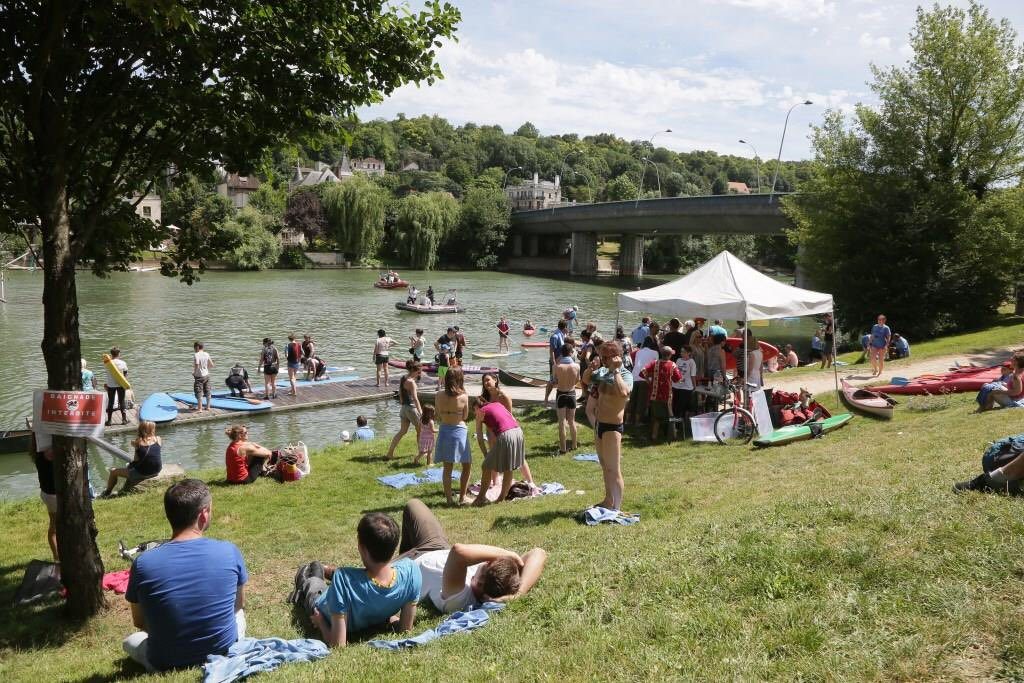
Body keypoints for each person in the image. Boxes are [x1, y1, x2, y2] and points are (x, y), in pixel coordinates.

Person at [123, 479, 247, 672]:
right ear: (204, 514)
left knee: (130, 641)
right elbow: (237, 606)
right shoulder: (229, 551)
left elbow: (139, 621)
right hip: (222, 650)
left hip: (164, 661)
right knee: (239, 616)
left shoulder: (143, 563)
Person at [290, 512, 420, 648]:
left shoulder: (343, 579)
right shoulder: (411, 571)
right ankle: (324, 568)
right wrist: (390, 619)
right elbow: (405, 629)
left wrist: (321, 622)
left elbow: (338, 645)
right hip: (368, 609)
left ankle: (313, 569)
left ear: (362, 548)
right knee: (351, 577)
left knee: (312, 583)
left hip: (322, 605)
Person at [395, 498, 547, 612]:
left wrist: (508, 553)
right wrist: (518, 594)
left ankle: (399, 560)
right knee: (413, 505)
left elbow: (458, 551)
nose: (486, 561)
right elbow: (538, 553)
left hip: (410, 566)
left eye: (487, 564)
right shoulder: (498, 580)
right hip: (436, 547)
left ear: (479, 585)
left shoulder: (461, 598)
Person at [592, 340, 632, 511]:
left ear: (617, 357)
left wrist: (616, 370)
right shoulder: (603, 371)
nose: (604, 360)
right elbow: (587, 379)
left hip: (613, 427)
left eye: (607, 357)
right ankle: (608, 500)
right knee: (604, 466)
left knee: (613, 469)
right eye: (603, 357)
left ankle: (617, 508)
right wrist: (590, 367)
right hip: (600, 425)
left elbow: (623, 393)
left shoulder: (625, 375)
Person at [480, 373, 534, 486]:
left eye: (488, 380)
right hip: (491, 431)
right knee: (493, 456)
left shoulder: (503, 396)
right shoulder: (484, 398)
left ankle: (530, 482)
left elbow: (509, 416)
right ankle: (495, 483)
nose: (486, 383)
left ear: (495, 380)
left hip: (507, 430)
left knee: (518, 456)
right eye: (484, 381)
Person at [473, 398, 526, 507]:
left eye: (473, 410)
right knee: (509, 467)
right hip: (518, 432)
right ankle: (501, 498)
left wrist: (485, 454)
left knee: (486, 466)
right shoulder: (497, 404)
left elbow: (479, 436)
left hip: (506, 434)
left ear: (476, 408)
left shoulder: (481, 412)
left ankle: (481, 498)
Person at [435, 367, 472, 505]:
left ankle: (449, 499)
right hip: (459, 431)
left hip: (444, 429)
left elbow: (438, 414)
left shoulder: (438, 395)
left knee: (447, 467)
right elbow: (466, 416)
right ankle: (462, 497)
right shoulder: (463, 396)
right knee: (467, 465)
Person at [101, 421, 162, 497]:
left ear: (141, 430)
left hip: (144, 473)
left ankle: (107, 493)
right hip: (157, 470)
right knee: (130, 466)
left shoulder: (137, 442)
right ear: (152, 429)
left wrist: (135, 444)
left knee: (113, 471)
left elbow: (136, 459)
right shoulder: (158, 439)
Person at [640, 347, 682, 443]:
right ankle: (673, 436)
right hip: (667, 395)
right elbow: (678, 379)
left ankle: (654, 436)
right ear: (670, 355)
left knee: (655, 416)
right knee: (670, 416)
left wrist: (649, 381)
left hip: (655, 394)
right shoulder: (672, 365)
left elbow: (642, 371)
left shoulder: (655, 363)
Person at [31, 430, 58, 563]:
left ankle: (56, 556)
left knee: (53, 526)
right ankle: (58, 557)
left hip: (46, 493)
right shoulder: (49, 452)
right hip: (54, 495)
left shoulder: (36, 451)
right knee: (57, 527)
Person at [385, 360, 422, 459]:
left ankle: (390, 453)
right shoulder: (412, 383)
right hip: (412, 409)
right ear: (415, 370)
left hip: (404, 408)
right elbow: (415, 398)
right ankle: (421, 453)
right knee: (420, 431)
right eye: (419, 371)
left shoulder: (403, 378)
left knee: (402, 431)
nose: (420, 373)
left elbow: (401, 392)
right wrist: (420, 411)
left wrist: (402, 402)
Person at [554, 343, 580, 453]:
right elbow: (577, 380)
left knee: (561, 422)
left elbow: (555, 381)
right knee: (572, 421)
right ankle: (574, 445)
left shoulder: (557, 367)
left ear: (561, 353)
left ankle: (563, 448)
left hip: (561, 393)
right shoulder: (577, 366)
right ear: (571, 352)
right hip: (571, 393)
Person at [628, 338, 659, 425]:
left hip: (634, 376)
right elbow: (655, 366)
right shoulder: (655, 353)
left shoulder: (638, 351)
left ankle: (627, 420)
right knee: (641, 400)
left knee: (632, 399)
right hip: (645, 378)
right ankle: (638, 421)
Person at [543, 320, 568, 406]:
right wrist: (553, 362)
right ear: (565, 327)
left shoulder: (562, 335)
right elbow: (552, 350)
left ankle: (559, 398)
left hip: (561, 362)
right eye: (567, 327)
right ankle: (546, 399)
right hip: (555, 362)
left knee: (559, 380)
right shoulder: (555, 336)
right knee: (552, 380)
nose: (567, 329)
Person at [673, 346, 697, 435]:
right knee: (675, 407)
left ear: (689, 353)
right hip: (676, 386)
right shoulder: (678, 360)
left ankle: (679, 426)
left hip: (686, 388)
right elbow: (675, 372)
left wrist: (694, 386)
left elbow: (693, 375)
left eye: (683, 352)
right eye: (681, 351)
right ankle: (675, 425)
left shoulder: (692, 362)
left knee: (681, 408)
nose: (681, 353)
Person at [104, 347, 129, 426]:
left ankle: (109, 421)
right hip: (120, 384)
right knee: (121, 401)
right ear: (119, 353)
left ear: (111, 354)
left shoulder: (107, 363)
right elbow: (125, 374)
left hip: (110, 384)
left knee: (111, 402)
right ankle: (124, 420)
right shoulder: (123, 363)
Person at [192, 341, 213, 411]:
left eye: (194, 348)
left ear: (197, 347)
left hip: (199, 376)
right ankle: (208, 407)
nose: (194, 350)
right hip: (206, 375)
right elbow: (212, 365)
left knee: (199, 391)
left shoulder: (196, 354)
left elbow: (197, 364)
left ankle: (200, 409)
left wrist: (194, 372)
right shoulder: (206, 354)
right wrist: (205, 368)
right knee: (207, 391)